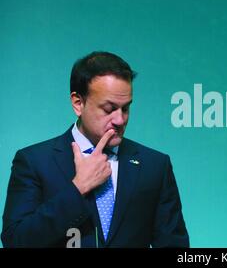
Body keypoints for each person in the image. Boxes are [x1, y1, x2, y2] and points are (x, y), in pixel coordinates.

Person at [1, 51, 189, 247]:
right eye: (109, 109)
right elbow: (15, 241)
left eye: (125, 108)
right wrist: (77, 189)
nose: (120, 120)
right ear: (78, 103)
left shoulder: (155, 166)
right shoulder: (34, 162)